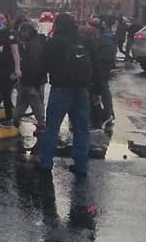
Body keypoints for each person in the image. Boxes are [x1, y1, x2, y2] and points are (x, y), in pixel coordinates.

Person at [38, 13, 96, 177]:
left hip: (60, 90)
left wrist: (39, 80)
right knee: (81, 129)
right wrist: (97, 89)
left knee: (52, 128)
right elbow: (96, 65)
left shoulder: (55, 42)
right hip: (82, 91)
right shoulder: (84, 41)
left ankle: (45, 162)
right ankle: (81, 165)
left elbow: (44, 63)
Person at [12, 22, 47, 134]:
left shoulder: (33, 45)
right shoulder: (34, 43)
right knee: (29, 103)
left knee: (32, 104)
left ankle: (40, 125)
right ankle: (38, 124)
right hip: (32, 80)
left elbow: (33, 64)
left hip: (31, 81)